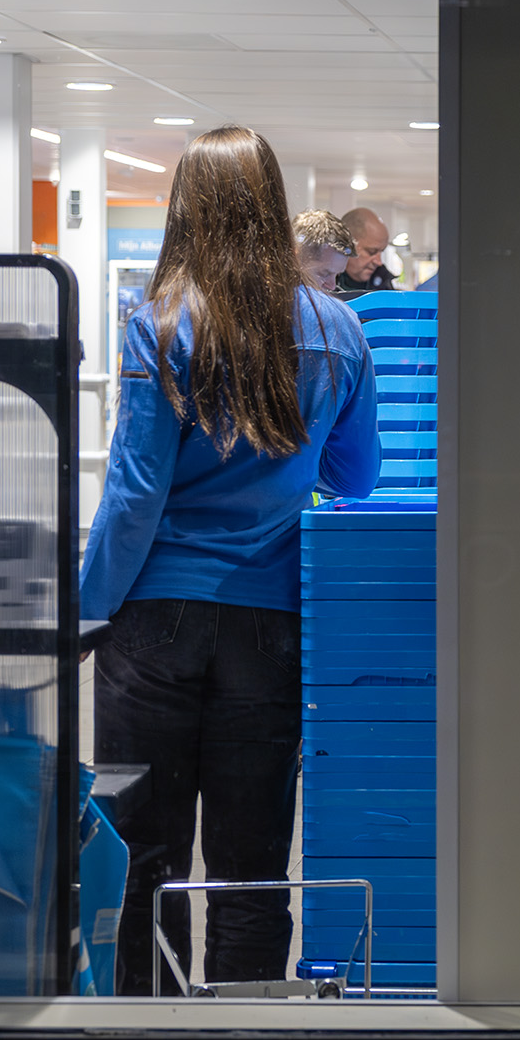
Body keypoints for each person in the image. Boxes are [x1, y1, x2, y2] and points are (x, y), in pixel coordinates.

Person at [81, 126, 382, 995]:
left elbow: (136, 496)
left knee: (146, 851)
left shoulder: (162, 324)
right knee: (252, 857)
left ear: (189, 210)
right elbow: (356, 475)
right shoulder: (337, 329)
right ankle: (245, 1037)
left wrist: (87, 608)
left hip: (155, 626)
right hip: (276, 618)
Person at [335, 207, 396, 292]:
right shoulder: (321, 287)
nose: (379, 262)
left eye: (381, 252)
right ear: (347, 245)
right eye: (371, 252)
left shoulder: (385, 284)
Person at [293, 209, 354, 292]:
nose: (332, 286)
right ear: (295, 258)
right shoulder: (271, 300)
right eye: (325, 274)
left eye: (337, 275)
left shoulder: (338, 300)